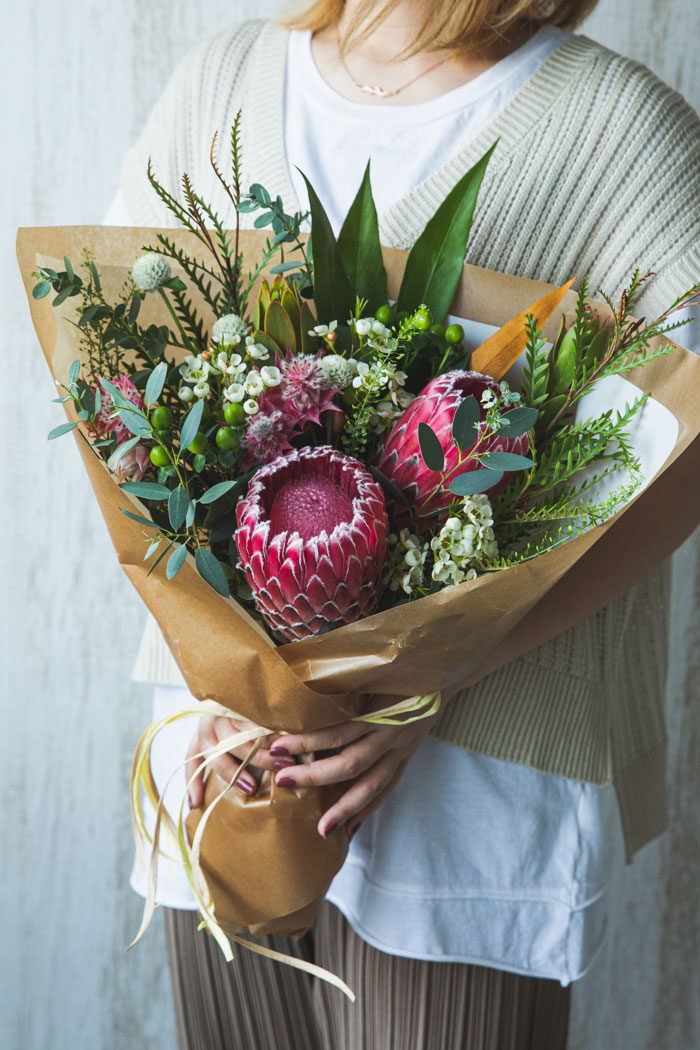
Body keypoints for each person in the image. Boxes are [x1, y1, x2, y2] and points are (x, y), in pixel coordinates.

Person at [104, 0, 700, 1046]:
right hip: (221, 759)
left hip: (472, 799)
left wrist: (433, 672)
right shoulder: (223, 77)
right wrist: (238, 668)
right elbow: (118, 395)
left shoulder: (622, 129)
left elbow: (680, 458)